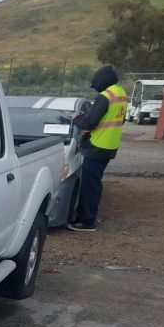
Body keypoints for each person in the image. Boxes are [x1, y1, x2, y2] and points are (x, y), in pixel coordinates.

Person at [68, 65, 128, 232]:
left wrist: (77, 118)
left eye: (95, 86)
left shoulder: (105, 96)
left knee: (90, 185)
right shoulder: (121, 94)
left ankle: (87, 221)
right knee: (94, 183)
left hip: (97, 146)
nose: (95, 89)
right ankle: (87, 217)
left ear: (101, 82)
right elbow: (119, 120)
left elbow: (88, 123)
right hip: (109, 146)